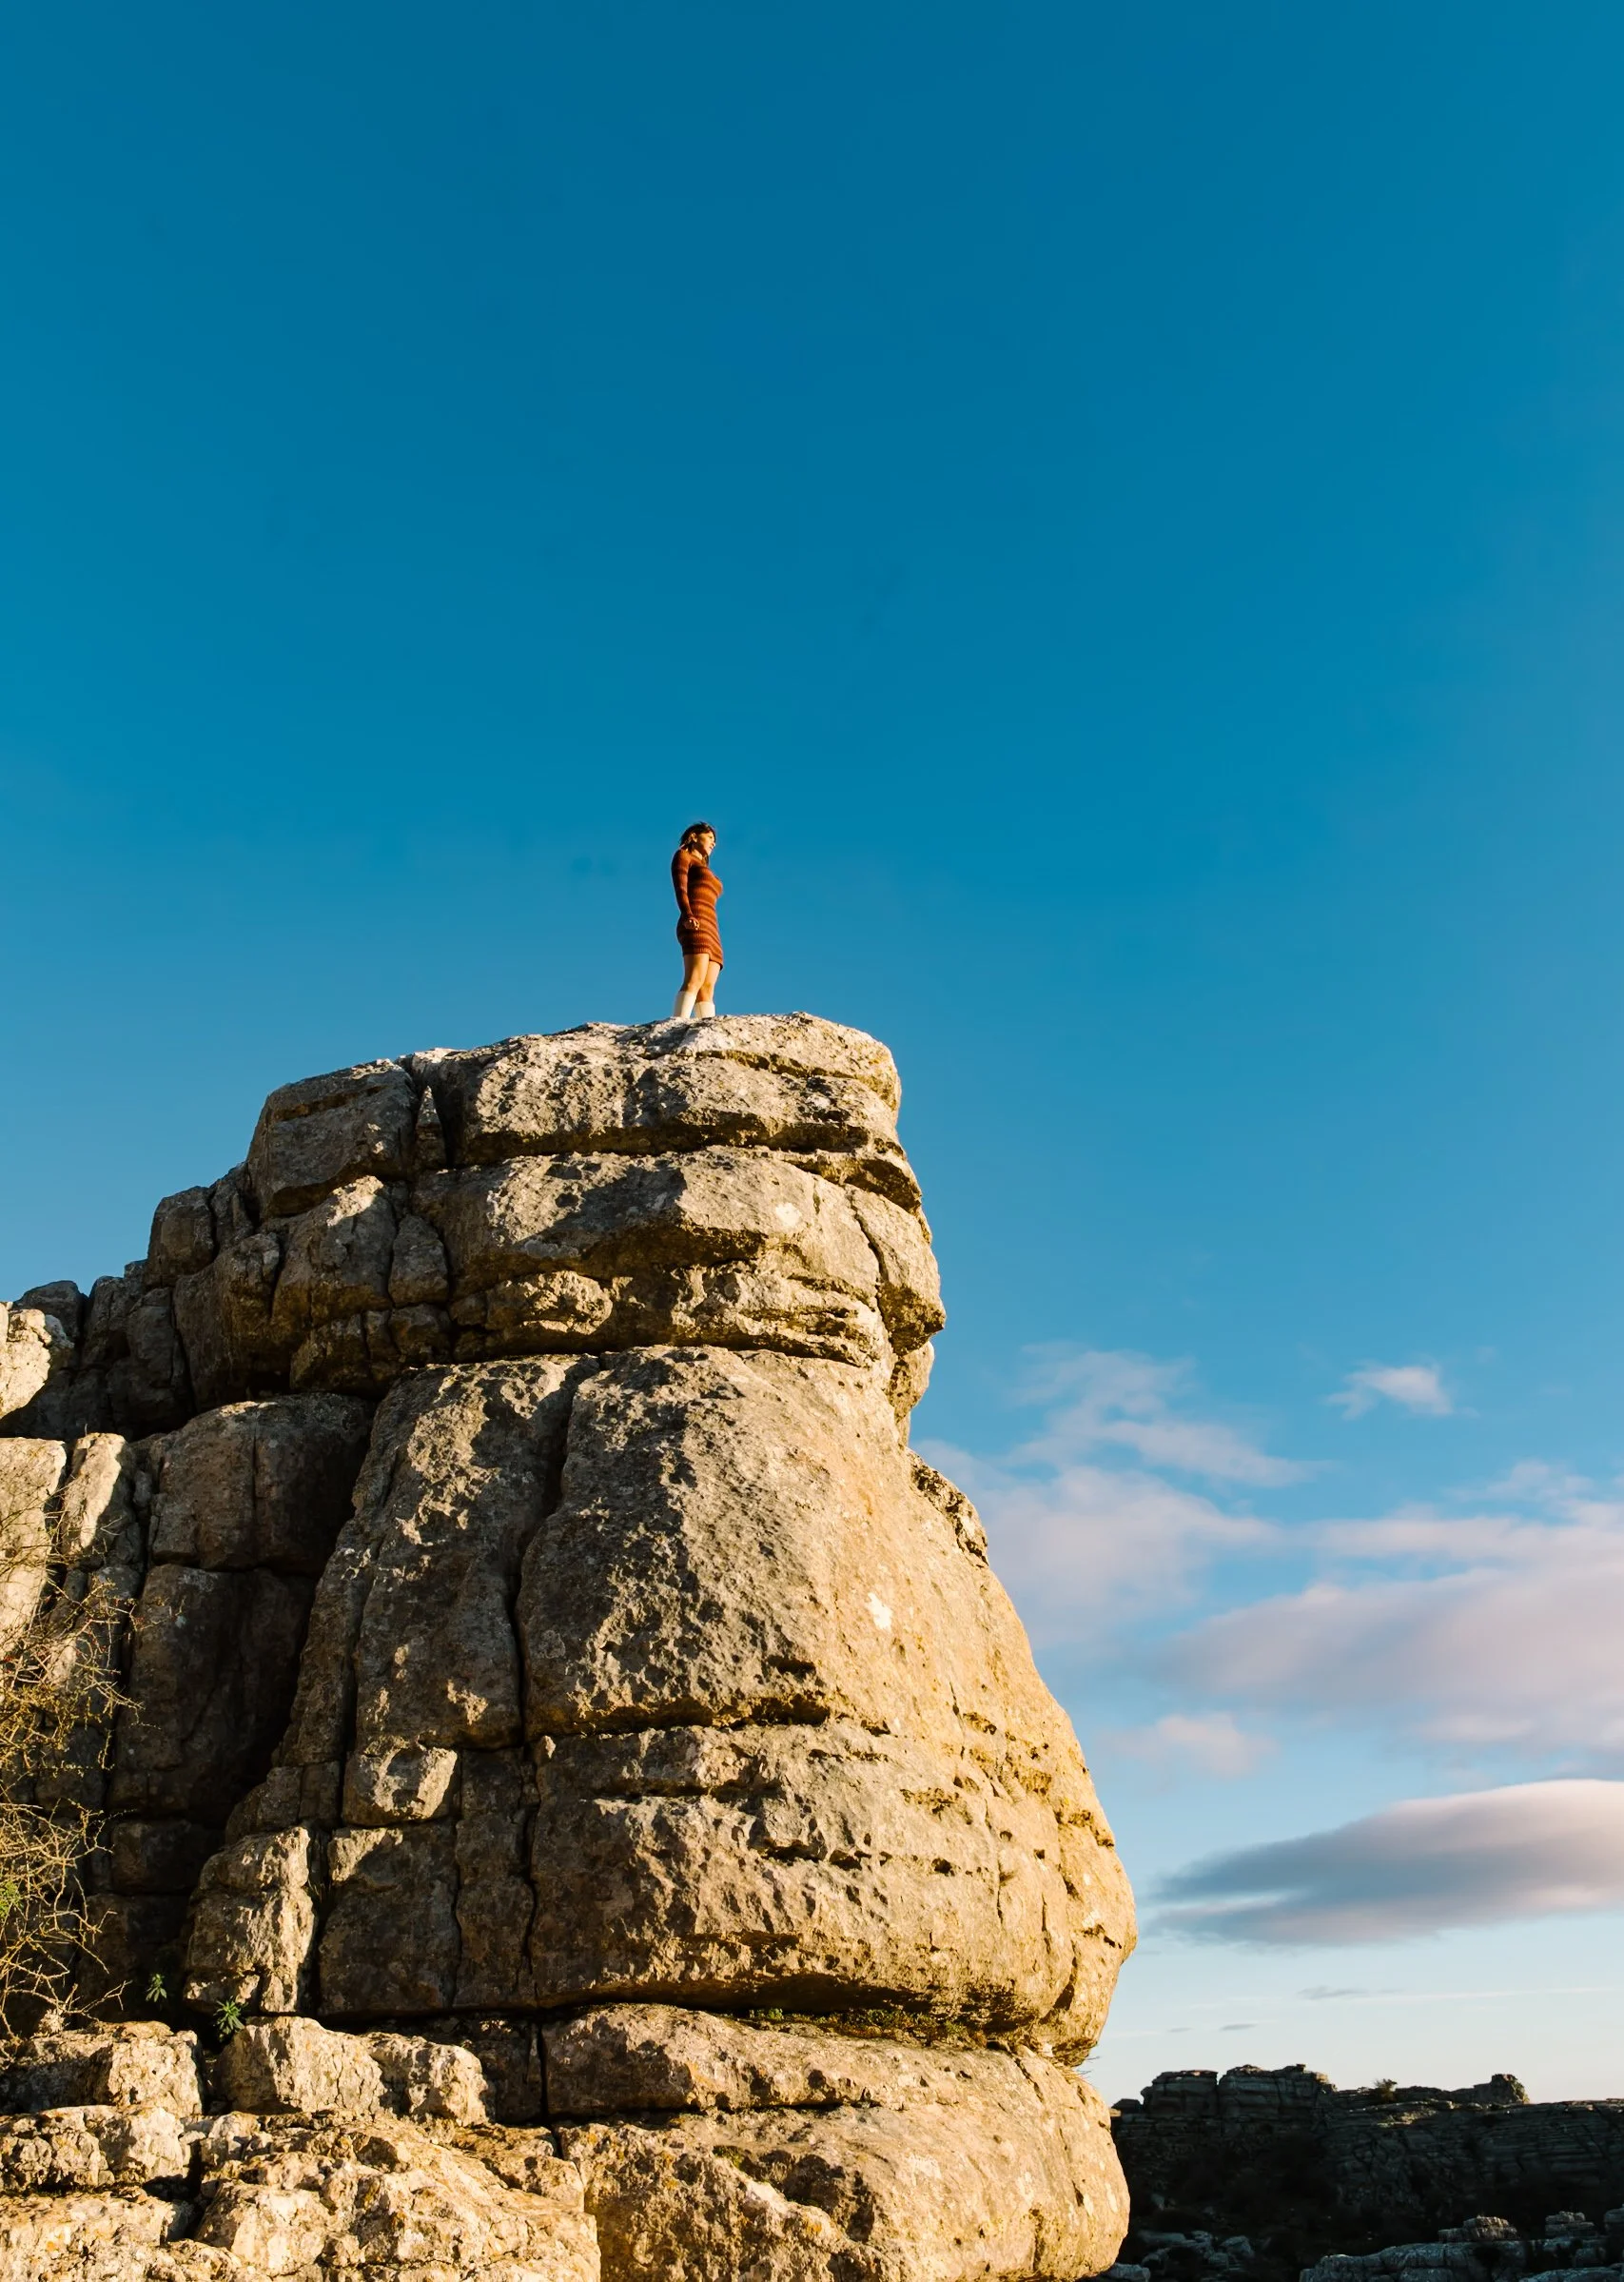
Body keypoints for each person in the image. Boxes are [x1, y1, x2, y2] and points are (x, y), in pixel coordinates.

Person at [671, 821, 723, 1018]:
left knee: (707, 987)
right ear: (694, 836)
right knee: (695, 978)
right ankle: (676, 1026)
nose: (714, 844)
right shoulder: (683, 856)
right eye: (710, 837)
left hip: (712, 925)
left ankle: (706, 1028)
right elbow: (680, 888)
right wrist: (687, 914)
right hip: (695, 919)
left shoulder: (704, 866)